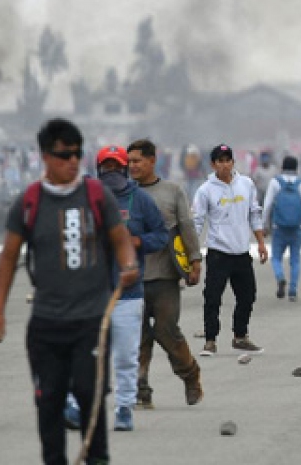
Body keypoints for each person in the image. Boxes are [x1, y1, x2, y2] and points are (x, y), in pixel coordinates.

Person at [0, 118, 139, 465]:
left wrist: (128, 264)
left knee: (90, 395)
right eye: (63, 155)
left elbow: (120, 241)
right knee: (49, 401)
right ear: (45, 157)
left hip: (91, 322)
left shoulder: (97, 195)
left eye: (77, 154)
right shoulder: (29, 202)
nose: (72, 161)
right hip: (46, 324)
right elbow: (8, 258)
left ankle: (96, 458)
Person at [65, 146, 169, 433]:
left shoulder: (141, 200)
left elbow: (161, 235)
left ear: (124, 169)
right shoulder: (85, 199)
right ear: (98, 169)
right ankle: (73, 405)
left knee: (125, 357)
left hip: (128, 294)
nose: (111, 172)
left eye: (116, 166)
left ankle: (124, 408)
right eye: (106, 166)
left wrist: (138, 242)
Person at [127, 138, 203, 410]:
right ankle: (141, 388)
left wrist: (195, 260)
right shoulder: (125, 193)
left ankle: (190, 375)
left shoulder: (172, 191)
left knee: (167, 331)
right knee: (138, 335)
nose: (132, 166)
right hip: (132, 278)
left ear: (152, 160)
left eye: (137, 161)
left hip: (165, 276)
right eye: (130, 161)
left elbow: (186, 226)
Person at [192, 144, 268, 356]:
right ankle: (210, 340)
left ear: (233, 162)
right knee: (213, 298)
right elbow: (197, 222)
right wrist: (191, 252)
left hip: (242, 251)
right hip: (218, 252)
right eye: (220, 161)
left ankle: (240, 336)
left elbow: (254, 213)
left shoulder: (246, 184)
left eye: (228, 160)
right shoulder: (205, 190)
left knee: (247, 296)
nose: (225, 165)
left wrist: (260, 242)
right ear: (213, 164)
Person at [262, 155, 301, 302]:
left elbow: (267, 206)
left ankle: (280, 277)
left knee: (276, 258)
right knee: (295, 260)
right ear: (296, 168)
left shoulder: (275, 183)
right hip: (297, 228)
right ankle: (292, 290)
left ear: (282, 167)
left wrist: (264, 226)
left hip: (279, 228)